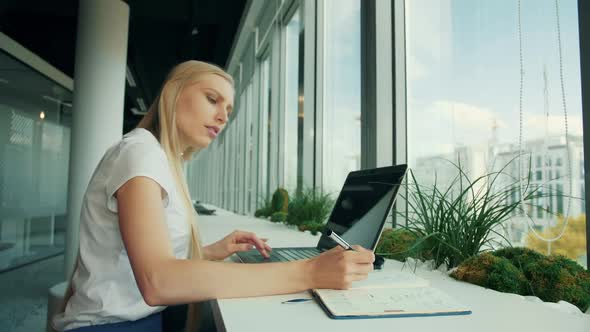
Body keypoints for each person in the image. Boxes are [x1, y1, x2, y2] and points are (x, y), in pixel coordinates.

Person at [52, 60, 375, 332]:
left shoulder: (161, 158)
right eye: (212, 99)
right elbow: (158, 281)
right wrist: (311, 272)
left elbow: (130, 258)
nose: (223, 116)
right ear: (173, 93)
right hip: (109, 326)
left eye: (228, 108)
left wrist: (209, 251)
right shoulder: (140, 152)